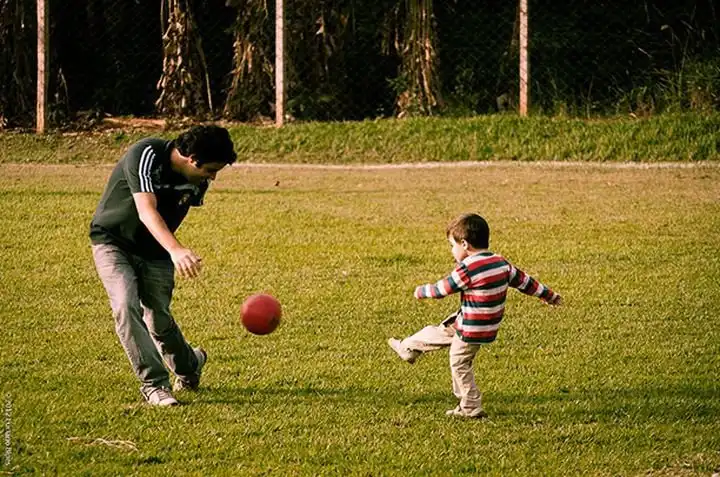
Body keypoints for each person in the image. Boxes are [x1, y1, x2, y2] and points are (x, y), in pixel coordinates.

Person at [90, 124, 237, 406]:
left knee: (158, 319)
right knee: (126, 305)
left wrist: (166, 250)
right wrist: (176, 250)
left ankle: (190, 365)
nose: (212, 177)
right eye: (210, 170)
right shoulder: (145, 153)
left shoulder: (197, 182)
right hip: (113, 242)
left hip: (156, 252)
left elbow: (171, 215)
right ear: (191, 159)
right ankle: (155, 384)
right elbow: (146, 210)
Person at [388, 213, 562, 419]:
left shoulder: (468, 269)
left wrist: (421, 291)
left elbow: (443, 289)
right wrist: (549, 296)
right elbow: (526, 282)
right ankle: (409, 347)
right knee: (440, 331)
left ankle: (470, 406)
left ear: (464, 244)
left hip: (471, 328)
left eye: (452, 246)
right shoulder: (501, 262)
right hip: (479, 323)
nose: (451, 251)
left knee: (459, 363)